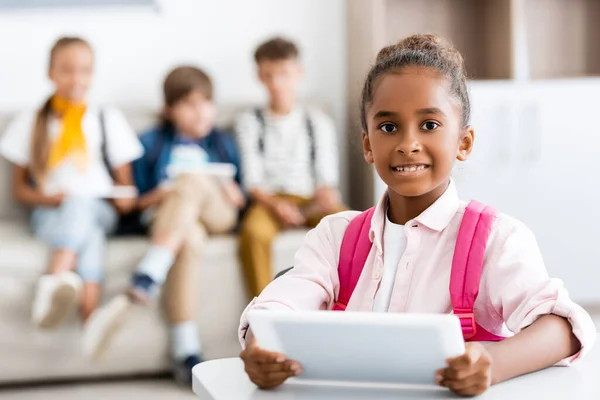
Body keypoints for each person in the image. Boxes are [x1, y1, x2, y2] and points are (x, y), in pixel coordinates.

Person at [236, 34, 597, 396]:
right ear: (367, 145)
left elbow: (564, 327)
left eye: (429, 125)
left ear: (464, 142)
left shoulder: (497, 239)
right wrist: (258, 347)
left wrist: (495, 364)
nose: (408, 144)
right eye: (388, 127)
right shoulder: (335, 236)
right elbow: (272, 310)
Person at [82, 66, 245, 384]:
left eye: (206, 103)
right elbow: (134, 203)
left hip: (217, 213)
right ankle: (186, 350)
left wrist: (231, 192)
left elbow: (241, 200)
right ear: (169, 110)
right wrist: (158, 194)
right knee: (190, 239)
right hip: (174, 220)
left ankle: (150, 272)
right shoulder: (153, 142)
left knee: (191, 181)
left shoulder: (223, 142)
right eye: (189, 104)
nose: (200, 113)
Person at [0, 37, 141, 328]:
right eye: (67, 70)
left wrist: (124, 199)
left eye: (85, 70)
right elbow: (19, 190)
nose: (77, 78)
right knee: (89, 234)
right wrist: (50, 199)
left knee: (83, 203)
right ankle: (90, 316)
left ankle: (52, 281)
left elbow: (126, 187)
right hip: (50, 213)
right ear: (50, 73)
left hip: (100, 209)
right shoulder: (31, 121)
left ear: (92, 73)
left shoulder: (106, 118)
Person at [236, 37, 345, 298]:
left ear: (299, 73)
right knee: (253, 233)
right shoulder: (249, 122)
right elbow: (252, 181)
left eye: (283, 74)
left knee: (349, 226)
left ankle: (347, 304)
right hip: (269, 201)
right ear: (259, 77)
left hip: (310, 198)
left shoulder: (317, 122)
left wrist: (323, 196)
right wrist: (276, 206)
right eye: (269, 75)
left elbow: (326, 177)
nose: (277, 83)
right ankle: (261, 315)